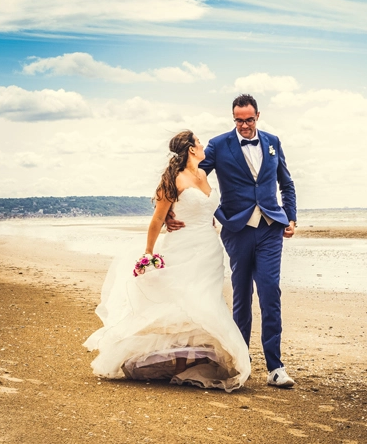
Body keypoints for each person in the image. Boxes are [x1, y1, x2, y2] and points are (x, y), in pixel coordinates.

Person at [84, 130, 250, 392]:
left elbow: (208, 209)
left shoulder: (203, 174)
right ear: (191, 149)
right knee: (184, 302)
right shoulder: (173, 180)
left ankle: (193, 360)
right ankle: (178, 362)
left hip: (209, 249)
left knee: (206, 300)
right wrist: (148, 254)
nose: (203, 145)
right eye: (199, 142)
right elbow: (157, 219)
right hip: (182, 247)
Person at [166, 94, 298, 388]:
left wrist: (291, 217)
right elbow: (188, 176)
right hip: (237, 230)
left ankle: (276, 367)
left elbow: (286, 183)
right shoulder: (218, 145)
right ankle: (242, 361)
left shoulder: (273, 142)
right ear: (233, 118)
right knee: (241, 295)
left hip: (270, 228)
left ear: (258, 116)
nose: (244, 125)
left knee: (270, 291)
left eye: (249, 120)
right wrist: (168, 212)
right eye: (239, 120)